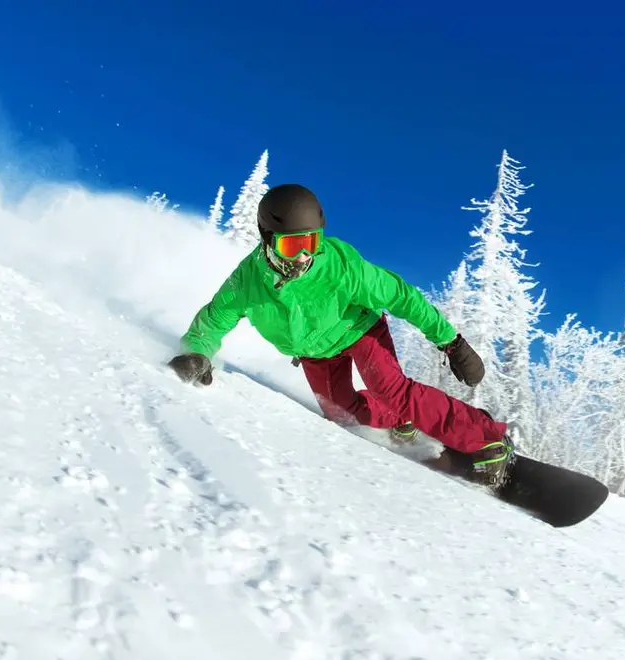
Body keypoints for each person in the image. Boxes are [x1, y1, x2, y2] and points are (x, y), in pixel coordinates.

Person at [166, 183, 515, 487]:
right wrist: (197, 352)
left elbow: (402, 296)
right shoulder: (247, 282)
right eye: (292, 246)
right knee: (340, 413)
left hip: (358, 330)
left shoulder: (342, 267)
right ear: (267, 239)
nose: (304, 256)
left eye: (312, 242)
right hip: (315, 352)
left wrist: (451, 343)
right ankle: (400, 421)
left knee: (390, 389)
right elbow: (214, 319)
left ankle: (487, 439)